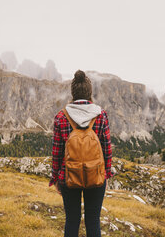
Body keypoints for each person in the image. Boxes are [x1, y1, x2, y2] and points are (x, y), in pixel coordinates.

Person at [49, 70, 113, 237]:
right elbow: (106, 149)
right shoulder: (101, 115)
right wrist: (106, 173)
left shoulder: (61, 117)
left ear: (73, 93)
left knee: (72, 220)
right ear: (89, 92)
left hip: (68, 176)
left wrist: (55, 177)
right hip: (96, 175)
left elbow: (57, 153)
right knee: (93, 220)